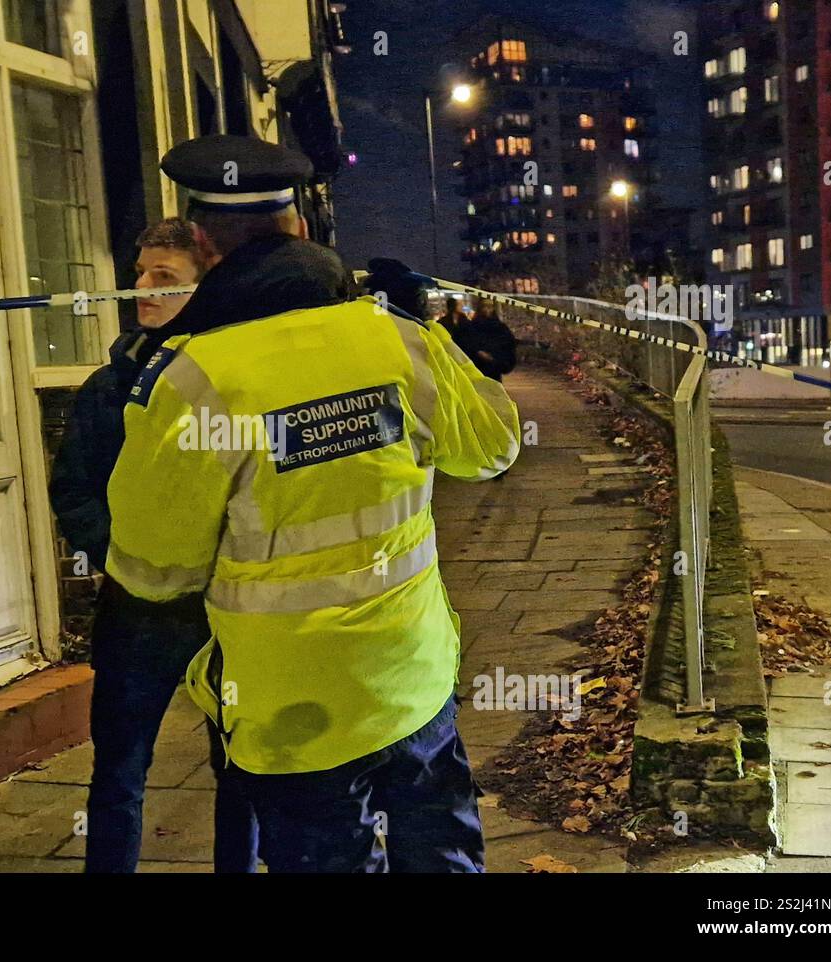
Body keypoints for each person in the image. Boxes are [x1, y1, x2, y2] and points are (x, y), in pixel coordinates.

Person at [105, 134, 522, 873]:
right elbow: (494, 447)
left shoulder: (192, 379)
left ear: (203, 243)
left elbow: (152, 569)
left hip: (290, 714)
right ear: (299, 226)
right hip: (412, 682)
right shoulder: (394, 340)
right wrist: (423, 331)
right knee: (444, 856)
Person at [49, 218, 258, 873]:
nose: (141, 288)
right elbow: (74, 488)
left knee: (242, 770)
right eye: (138, 274)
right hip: (135, 615)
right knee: (117, 771)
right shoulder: (110, 387)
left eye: (162, 277)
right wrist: (121, 556)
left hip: (223, 613)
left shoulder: (236, 380)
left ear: (204, 285)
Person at [452, 297, 518, 383]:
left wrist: (494, 358)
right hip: (474, 372)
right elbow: (462, 345)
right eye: (484, 306)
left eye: (489, 307)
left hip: (493, 372)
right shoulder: (470, 328)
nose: (486, 310)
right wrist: (477, 352)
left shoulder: (500, 329)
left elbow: (508, 347)